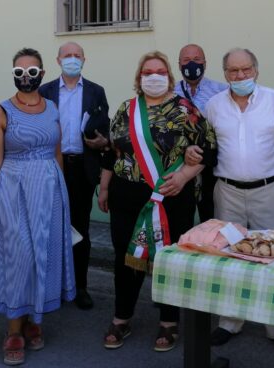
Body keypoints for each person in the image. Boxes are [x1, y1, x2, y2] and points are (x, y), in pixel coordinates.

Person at [98, 51, 216, 353]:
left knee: (168, 260)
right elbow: (113, 152)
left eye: (160, 71)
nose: (154, 76)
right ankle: (121, 317)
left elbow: (209, 149)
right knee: (126, 256)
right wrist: (104, 188)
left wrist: (185, 176)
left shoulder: (186, 109)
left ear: (169, 77)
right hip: (127, 196)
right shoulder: (126, 109)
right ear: (139, 78)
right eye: (148, 71)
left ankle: (168, 321)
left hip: (172, 196)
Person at [0, 48, 76, 367]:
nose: (25, 77)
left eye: (32, 71)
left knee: (43, 253)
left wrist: (61, 192)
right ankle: (14, 328)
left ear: (42, 74)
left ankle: (35, 319)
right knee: (19, 255)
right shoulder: (0, 111)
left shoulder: (53, 107)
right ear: (13, 74)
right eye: (19, 72)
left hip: (49, 188)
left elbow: (57, 154)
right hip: (12, 189)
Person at [199, 48, 274, 355]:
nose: (240, 76)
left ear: (256, 70)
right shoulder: (214, 105)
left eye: (246, 70)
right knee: (230, 257)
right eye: (233, 71)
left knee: (272, 258)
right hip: (227, 191)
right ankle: (231, 321)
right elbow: (208, 147)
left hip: (268, 190)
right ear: (225, 73)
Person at [39, 41, 109, 310]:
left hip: (82, 168)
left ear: (84, 59)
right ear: (57, 61)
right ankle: (52, 284)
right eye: (66, 56)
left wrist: (101, 142)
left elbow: (104, 131)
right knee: (50, 227)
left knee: (80, 229)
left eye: (76, 55)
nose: (71, 59)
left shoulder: (95, 91)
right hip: (51, 167)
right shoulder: (44, 91)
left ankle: (80, 286)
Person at [174, 43, 228, 222]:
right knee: (181, 216)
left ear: (204, 63)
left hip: (211, 163)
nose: (192, 64)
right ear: (179, 64)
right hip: (181, 163)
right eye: (187, 60)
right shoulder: (170, 92)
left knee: (211, 215)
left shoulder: (222, 91)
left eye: (196, 60)